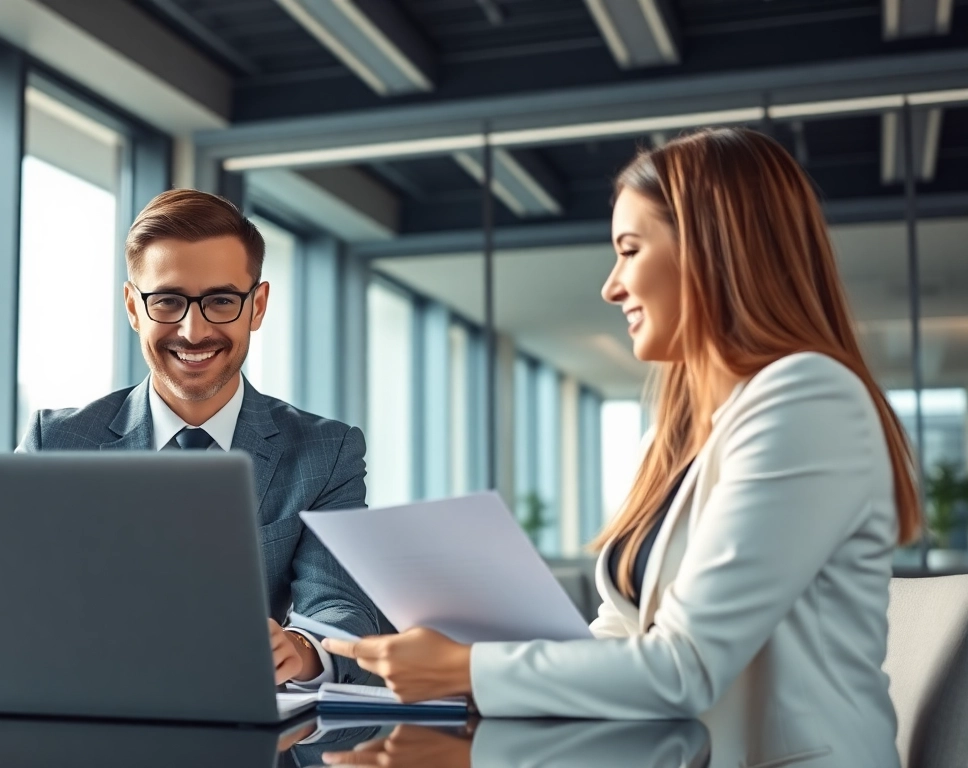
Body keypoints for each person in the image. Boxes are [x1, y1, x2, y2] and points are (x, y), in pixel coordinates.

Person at [323, 128, 920, 767]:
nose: (611, 287)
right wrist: (466, 672)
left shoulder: (808, 398)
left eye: (630, 250)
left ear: (710, 250)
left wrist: (468, 668)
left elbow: (685, 667)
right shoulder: (678, 437)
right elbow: (622, 632)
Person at [18, 188, 378, 686]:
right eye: (167, 301)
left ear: (257, 306)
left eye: (221, 301)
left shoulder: (325, 451)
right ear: (133, 307)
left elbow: (340, 603)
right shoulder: (56, 443)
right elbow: (13, 595)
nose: (192, 331)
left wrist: (299, 649)